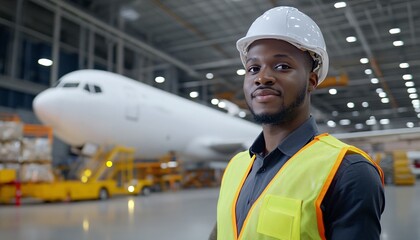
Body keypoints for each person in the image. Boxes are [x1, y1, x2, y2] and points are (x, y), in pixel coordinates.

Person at [209, 6, 385, 240]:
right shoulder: (236, 167)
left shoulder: (348, 172)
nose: (262, 77)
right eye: (253, 68)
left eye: (282, 66)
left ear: (311, 80)